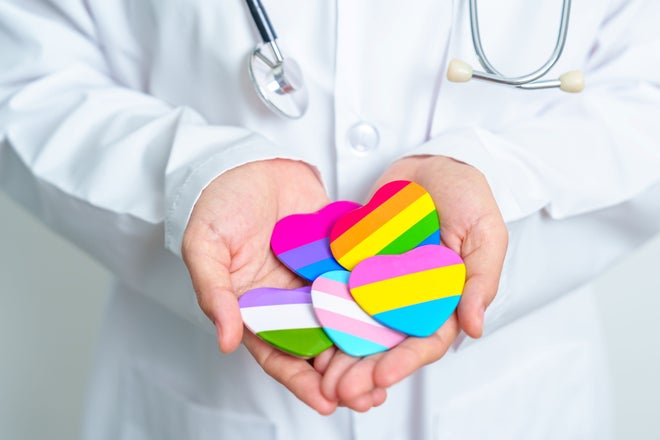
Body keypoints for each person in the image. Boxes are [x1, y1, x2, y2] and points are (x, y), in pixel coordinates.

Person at [1, 0, 659, 439]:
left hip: (518, 397)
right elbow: (22, 76)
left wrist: (504, 180)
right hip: (204, 395)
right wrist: (192, 179)